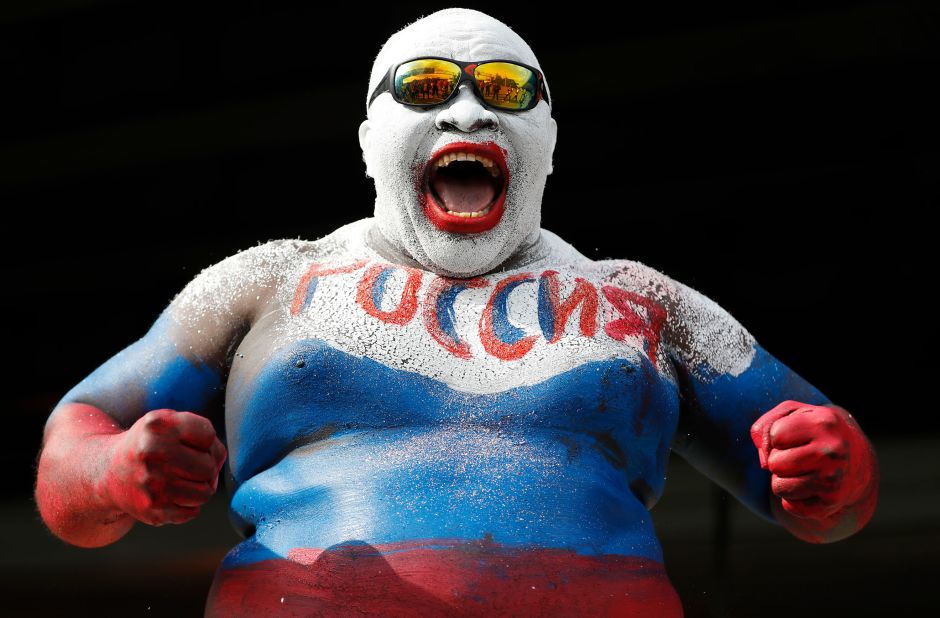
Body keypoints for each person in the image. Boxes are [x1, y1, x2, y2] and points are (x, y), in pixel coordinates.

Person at [34, 8, 878, 617]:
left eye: (507, 89)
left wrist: (835, 469)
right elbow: (74, 440)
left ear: (547, 137)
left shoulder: (651, 303)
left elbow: (834, 499)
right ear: (369, 139)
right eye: (428, 86)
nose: (469, 111)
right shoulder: (263, 281)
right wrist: (113, 474)